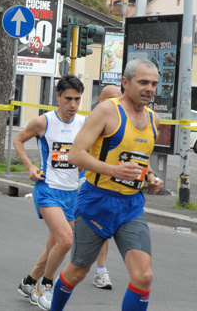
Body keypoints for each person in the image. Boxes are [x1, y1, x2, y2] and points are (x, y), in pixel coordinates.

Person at [50, 60, 163, 311]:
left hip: (131, 206)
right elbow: (76, 155)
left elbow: (140, 158)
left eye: (154, 84)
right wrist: (113, 170)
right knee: (77, 272)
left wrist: (150, 177)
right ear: (125, 82)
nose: (150, 89)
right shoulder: (106, 111)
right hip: (97, 202)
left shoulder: (154, 119)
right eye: (143, 82)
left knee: (144, 277)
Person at [14, 75, 85, 310]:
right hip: (48, 190)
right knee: (66, 241)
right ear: (58, 97)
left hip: (72, 194)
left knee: (53, 246)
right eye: (68, 99)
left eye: (77, 99)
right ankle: (46, 286)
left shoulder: (84, 123)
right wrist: (30, 166)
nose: (73, 105)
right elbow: (18, 140)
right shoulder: (44, 122)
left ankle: (28, 282)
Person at [90, 84, 122, 290]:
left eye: (119, 99)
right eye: (112, 100)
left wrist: (151, 175)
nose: (116, 104)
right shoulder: (93, 120)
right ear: (101, 100)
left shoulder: (122, 121)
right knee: (65, 235)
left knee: (101, 230)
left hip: (109, 188)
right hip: (85, 185)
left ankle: (101, 271)